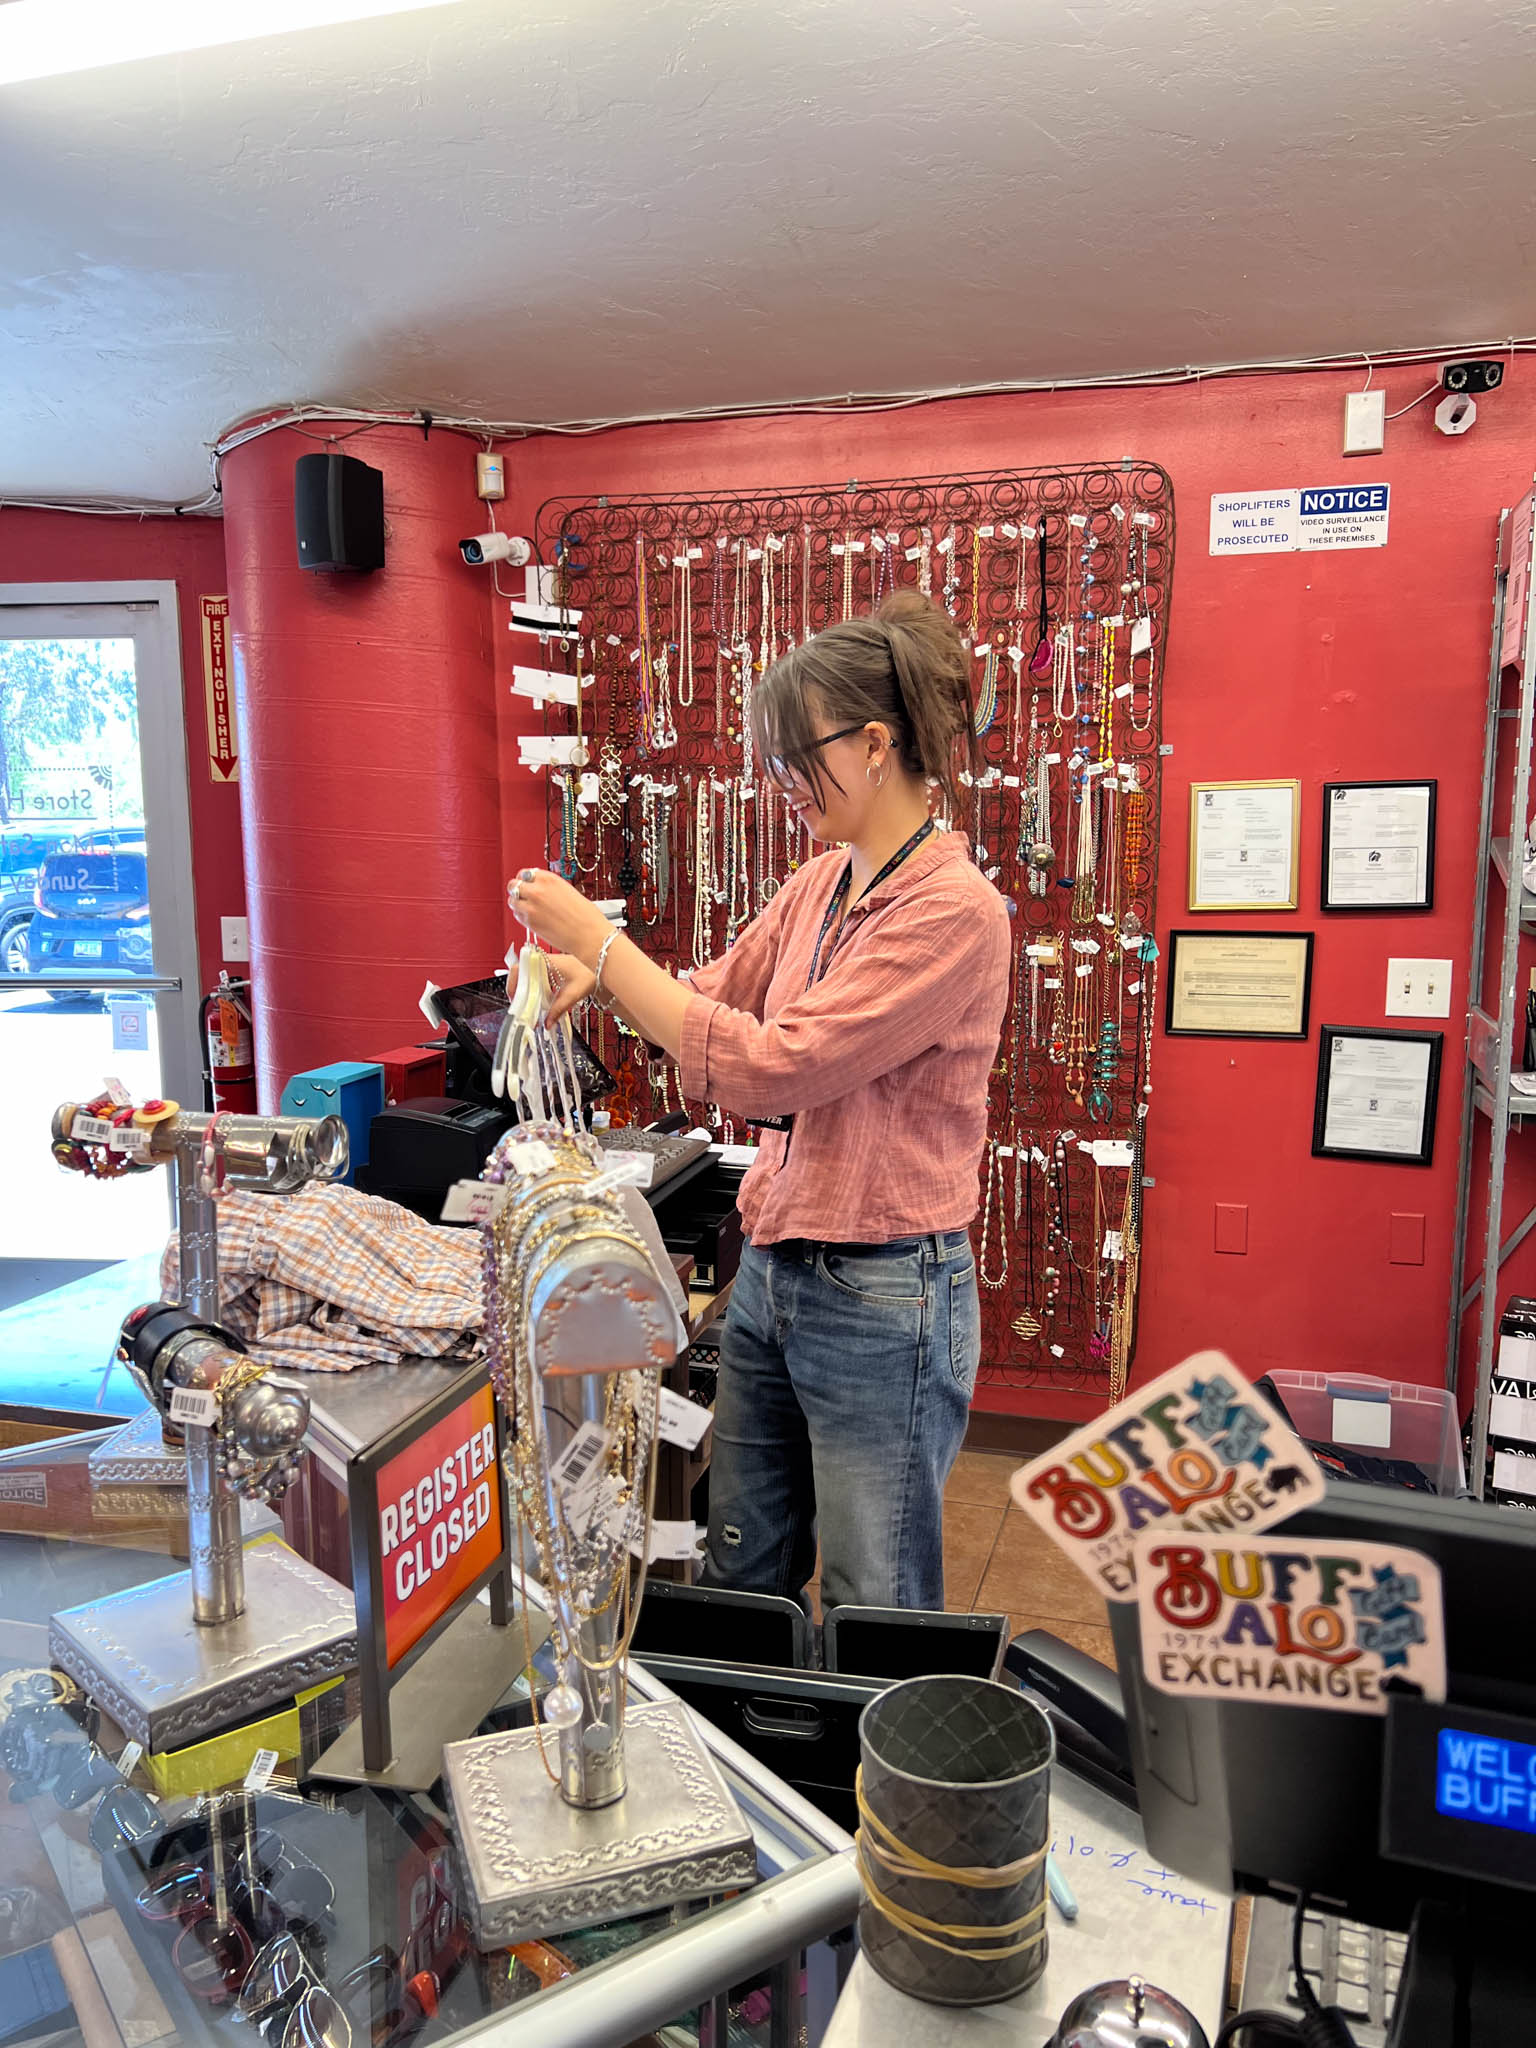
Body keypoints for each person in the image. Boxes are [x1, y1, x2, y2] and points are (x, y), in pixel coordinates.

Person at [508, 590, 1011, 1611]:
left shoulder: (955, 910)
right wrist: (594, 979)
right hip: (778, 1270)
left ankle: (875, 1775)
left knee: (875, 1594)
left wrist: (604, 945)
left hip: (885, 1291)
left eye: (798, 756)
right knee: (743, 1563)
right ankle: (756, 1767)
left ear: (876, 743)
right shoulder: (825, 880)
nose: (783, 783)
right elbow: (713, 992)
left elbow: (777, 1063)